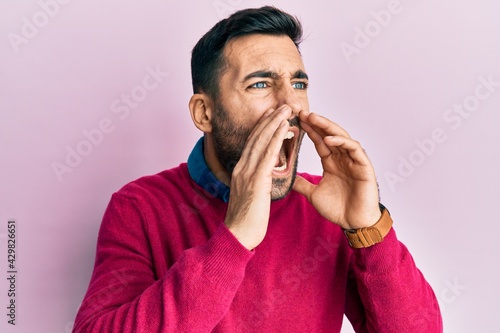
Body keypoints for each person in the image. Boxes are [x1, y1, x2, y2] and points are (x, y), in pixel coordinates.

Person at [73, 6, 442, 333]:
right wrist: (234, 239)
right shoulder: (139, 207)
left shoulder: (327, 209)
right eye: (261, 84)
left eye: (298, 83)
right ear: (205, 113)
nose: (289, 105)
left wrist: (369, 229)